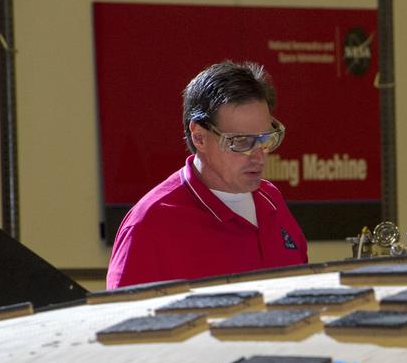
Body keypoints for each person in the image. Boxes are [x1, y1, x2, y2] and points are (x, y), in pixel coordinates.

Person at [105, 60, 309, 288]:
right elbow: (122, 321)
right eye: (240, 141)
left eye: (265, 139)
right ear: (199, 137)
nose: (259, 156)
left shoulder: (271, 201)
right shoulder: (149, 225)